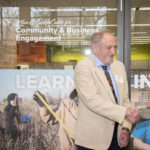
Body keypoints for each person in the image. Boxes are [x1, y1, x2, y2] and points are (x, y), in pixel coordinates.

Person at [74, 31, 140, 150]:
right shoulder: (83, 67)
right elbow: (92, 101)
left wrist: (125, 128)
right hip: (92, 141)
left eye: (114, 47)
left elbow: (125, 100)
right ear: (95, 47)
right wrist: (124, 113)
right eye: (109, 47)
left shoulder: (119, 67)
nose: (113, 52)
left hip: (118, 138)